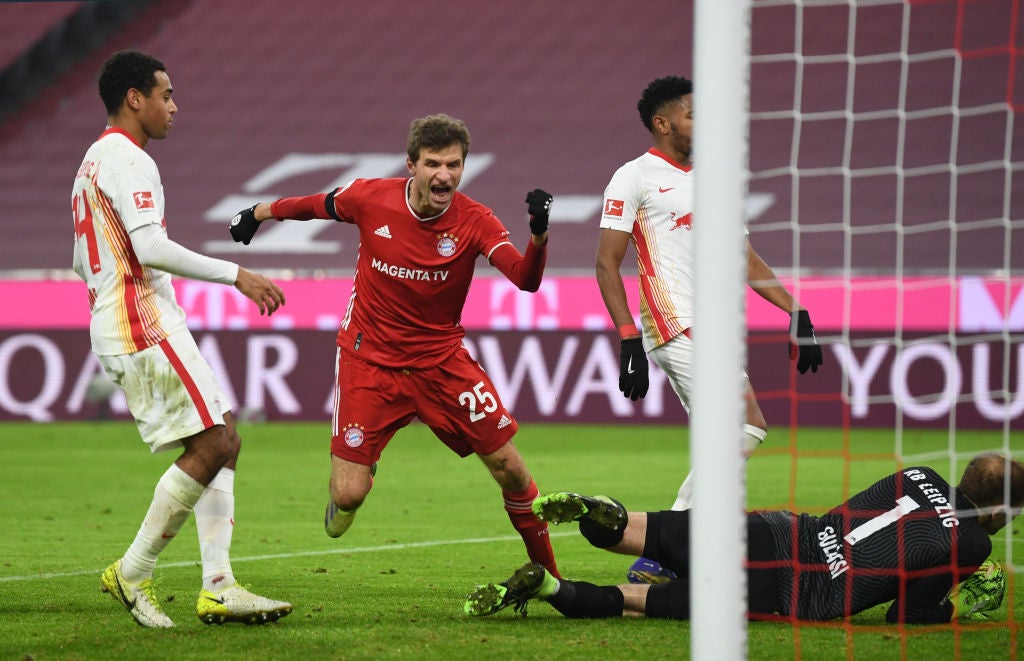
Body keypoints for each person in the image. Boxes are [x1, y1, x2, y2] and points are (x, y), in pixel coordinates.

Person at [227, 113, 561, 577]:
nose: (443, 175)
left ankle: (553, 578)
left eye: (454, 164)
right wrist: (258, 212)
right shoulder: (370, 197)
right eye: (432, 164)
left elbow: (525, 279)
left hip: (441, 362)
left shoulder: (477, 221)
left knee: (510, 468)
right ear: (411, 164)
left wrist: (539, 237)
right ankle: (355, 478)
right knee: (347, 497)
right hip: (370, 360)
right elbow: (314, 205)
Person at [72, 50, 291, 628]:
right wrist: (235, 274)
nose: (175, 105)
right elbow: (148, 248)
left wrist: (105, 301)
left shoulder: (94, 162)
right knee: (216, 443)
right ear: (134, 99)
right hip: (141, 321)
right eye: (165, 94)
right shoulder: (125, 159)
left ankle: (218, 586)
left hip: (129, 319)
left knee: (224, 440)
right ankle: (134, 570)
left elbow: (79, 258)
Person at [595, 75, 824, 582]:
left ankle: (665, 551)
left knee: (744, 428)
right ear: (663, 123)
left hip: (712, 327)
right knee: (739, 424)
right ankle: (668, 550)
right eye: (693, 114)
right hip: (673, 320)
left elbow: (744, 257)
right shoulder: (633, 177)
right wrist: (628, 337)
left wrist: (795, 310)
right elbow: (607, 264)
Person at [464, 452, 1024, 623]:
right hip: (794, 589)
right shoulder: (973, 545)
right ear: (1001, 511)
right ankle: (550, 591)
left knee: (653, 531)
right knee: (638, 602)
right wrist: (958, 609)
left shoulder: (914, 475)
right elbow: (906, 616)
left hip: (782, 530)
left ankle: (597, 510)